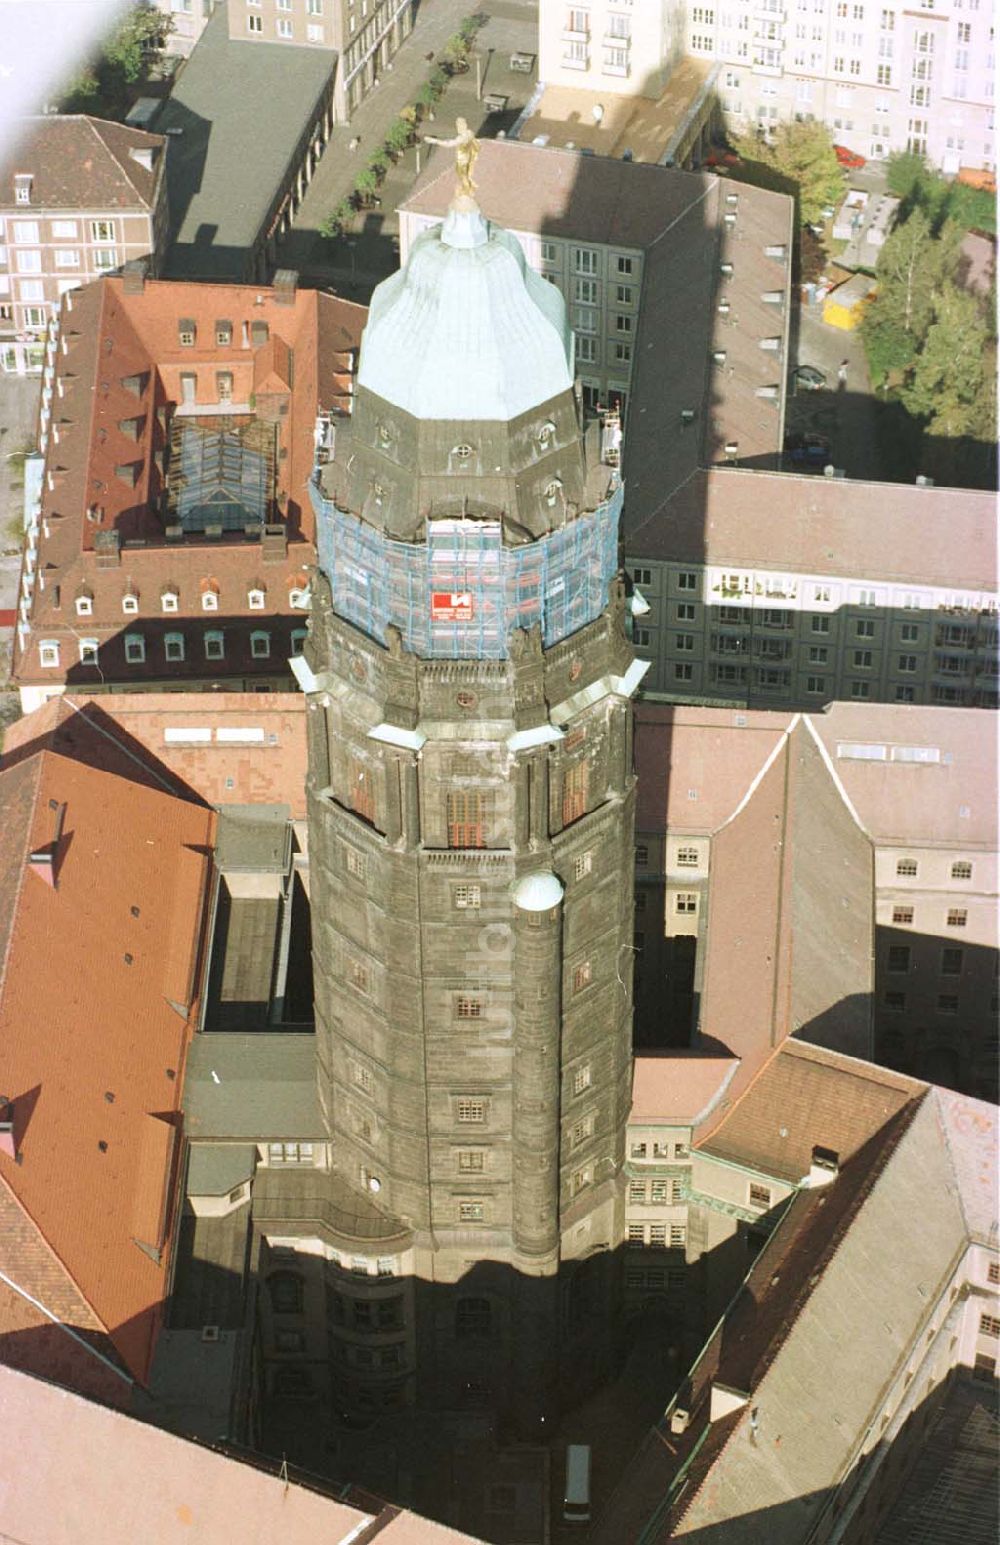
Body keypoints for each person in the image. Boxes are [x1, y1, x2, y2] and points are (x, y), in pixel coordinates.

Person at [424, 117, 480, 200]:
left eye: (458, 126)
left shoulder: (462, 138)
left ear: (464, 126)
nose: (457, 128)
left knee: (463, 176)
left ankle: (467, 191)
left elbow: (449, 144)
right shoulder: (469, 133)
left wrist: (434, 141)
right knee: (465, 176)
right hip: (468, 158)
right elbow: (475, 144)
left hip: (462, 161)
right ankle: (468, 188)